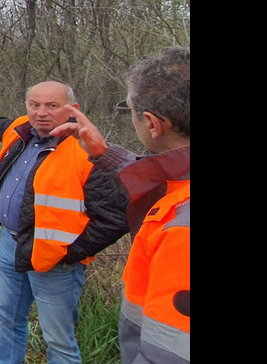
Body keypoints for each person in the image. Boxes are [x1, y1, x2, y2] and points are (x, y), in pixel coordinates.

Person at [0, 81, 129, 364]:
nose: (41, 112)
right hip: (11, 244)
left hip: (55, 260)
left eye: (52, 105)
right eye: (34, 105)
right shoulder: (20, 131)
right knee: (7, 316)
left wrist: (70, 252)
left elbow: (115, 217)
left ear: (73, 109)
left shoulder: (87, 152)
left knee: (58, 339)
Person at [49, 46, 189, 363]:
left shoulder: (181, 229)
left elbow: (169, 353)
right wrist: (103, 153)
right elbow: (169, 177)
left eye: (130, 110)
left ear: (153, 124)